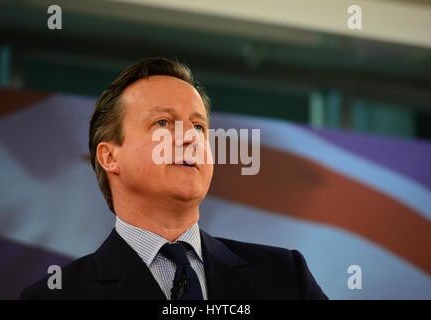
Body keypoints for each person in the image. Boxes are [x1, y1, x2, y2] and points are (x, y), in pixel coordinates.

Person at [20, 57, 327, 300]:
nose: (188, 138)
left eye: (198, 127)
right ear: (110, 157)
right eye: (163, 122)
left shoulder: (285, 277)